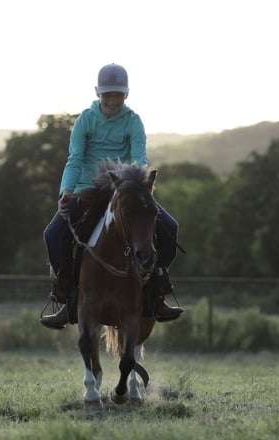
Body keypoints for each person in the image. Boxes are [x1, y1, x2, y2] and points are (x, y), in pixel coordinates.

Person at [41, 63, 183, 329]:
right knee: (52, 235)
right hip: (87, 189)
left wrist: (139, 185)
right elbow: (75, 158)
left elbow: (140, 157)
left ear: (125, 95)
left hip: (125, 189)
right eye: (107, 94)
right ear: (98, 93)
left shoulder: (133, 121)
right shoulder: (85, 120)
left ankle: (158, 289)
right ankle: (65, 294)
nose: (112, 100)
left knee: (170, 228)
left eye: (117, 94)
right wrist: (66, 192)